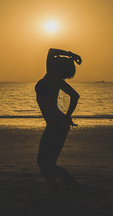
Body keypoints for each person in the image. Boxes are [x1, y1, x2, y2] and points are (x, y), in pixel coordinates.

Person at [35, 48, 82, 195]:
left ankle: (74, 188)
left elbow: (75, 96)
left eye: (56, 61)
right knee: (43, 162)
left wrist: (68, 116)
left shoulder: (55, 80)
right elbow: (50, 51)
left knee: (47, 163)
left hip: (58, 125)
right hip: (54, 124)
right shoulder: (49, 75)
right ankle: (57, 188)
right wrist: (71, 54)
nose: (53, 60)